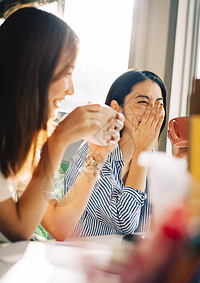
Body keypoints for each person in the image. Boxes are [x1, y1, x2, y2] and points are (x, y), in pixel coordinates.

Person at [0, 6, 124, 242]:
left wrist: (96, 156)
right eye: (66, 73)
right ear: (34, 71)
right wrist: (58, 140)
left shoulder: (19, 139)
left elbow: (59, 225)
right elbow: (18, 230)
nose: (71, 89)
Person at [64, 69, 166, 237]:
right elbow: (125, 222)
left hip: (127, 261)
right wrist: (143, 151)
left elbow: (161, 226)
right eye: (143, 102)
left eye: (159, 104)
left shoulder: (153, 160)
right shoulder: (94, 152)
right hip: (78, 259)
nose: (153, 112)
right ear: (116, 108)